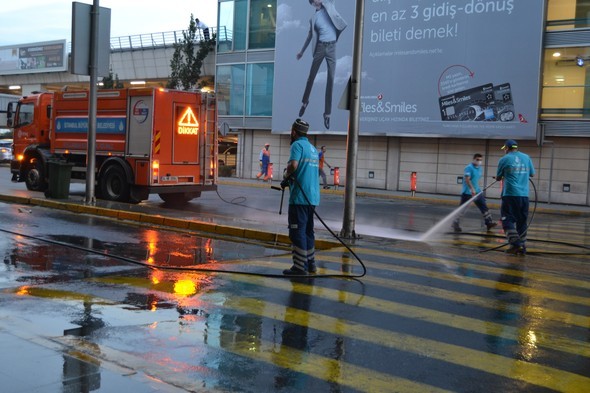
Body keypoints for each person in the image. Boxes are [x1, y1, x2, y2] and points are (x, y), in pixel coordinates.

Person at [296, 0, 347, 130]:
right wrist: (301, 51)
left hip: (331, 47)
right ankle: (305, 102)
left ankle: (327, 114)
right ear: (313, 3)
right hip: (320, 47)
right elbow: (309, 36)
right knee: (311, 77)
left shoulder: (330, 6)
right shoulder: (313, 18)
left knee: (331, 79)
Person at [280, 119, 320, 275]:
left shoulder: (297, 145)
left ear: (294, 132)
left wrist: (286, 174)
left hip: (299, 198)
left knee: (297, 231)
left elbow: (294, 165)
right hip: (313, 197)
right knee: (308, 231)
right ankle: (311, 264)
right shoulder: (312, 148)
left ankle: (299, 267)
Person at [496, 139, 535, 255]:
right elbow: (532, 174)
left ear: (507, 148)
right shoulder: (527, 157)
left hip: (510, 194)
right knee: (521, 221)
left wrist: (503, 176)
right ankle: (522, 246)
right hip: (524, 195)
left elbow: (498, 177)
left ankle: (515, 244)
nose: (505, 151)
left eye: (505, 149)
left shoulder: (504, 159)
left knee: (506, 219)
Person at [452, 153, 497, 232]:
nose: (479, 161)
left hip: (478, 192)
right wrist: (472, 189)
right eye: (477, 160)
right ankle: (455, 223)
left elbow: (476, 180)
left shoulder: (480, 168)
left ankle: (489, 223)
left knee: (484, 207)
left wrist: (476, 189)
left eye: (480, 160)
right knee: (462, 209)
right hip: (467, 193)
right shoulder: (469, 168)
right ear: (473, 159)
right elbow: (467, 179)